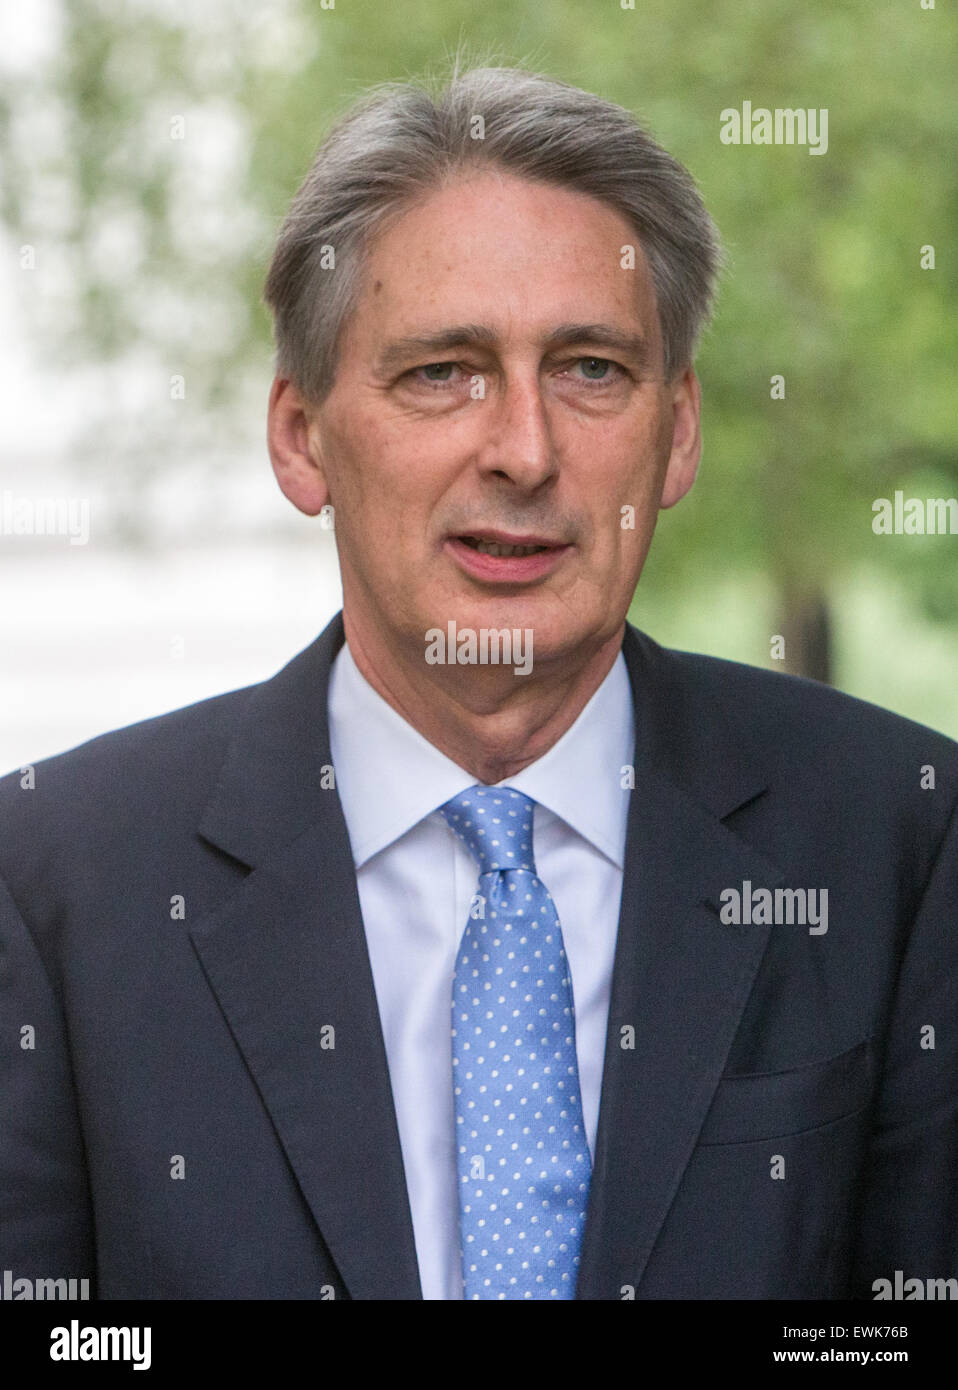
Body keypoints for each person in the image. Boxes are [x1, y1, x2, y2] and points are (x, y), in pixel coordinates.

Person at [1, 64, 956, 1302]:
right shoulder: (54, 881)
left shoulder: (900, 840)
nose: (523, 448)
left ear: (677, 435)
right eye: (442, 371)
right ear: (301, 437)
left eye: (591, 370)